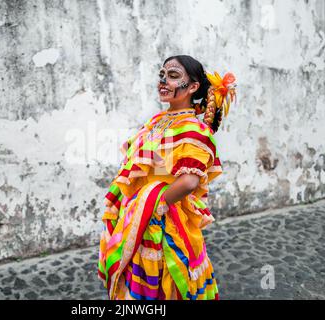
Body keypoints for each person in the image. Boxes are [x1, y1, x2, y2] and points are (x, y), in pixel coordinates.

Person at [97, 55, 236, 300]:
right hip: (139, 215)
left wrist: (154, 207)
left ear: (192, 87)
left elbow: (190, 181)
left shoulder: (195, 129)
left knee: (165, 282)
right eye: (163, 75)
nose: (163, 81)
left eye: (173, 76)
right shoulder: (157, 121)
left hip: (163, 220)